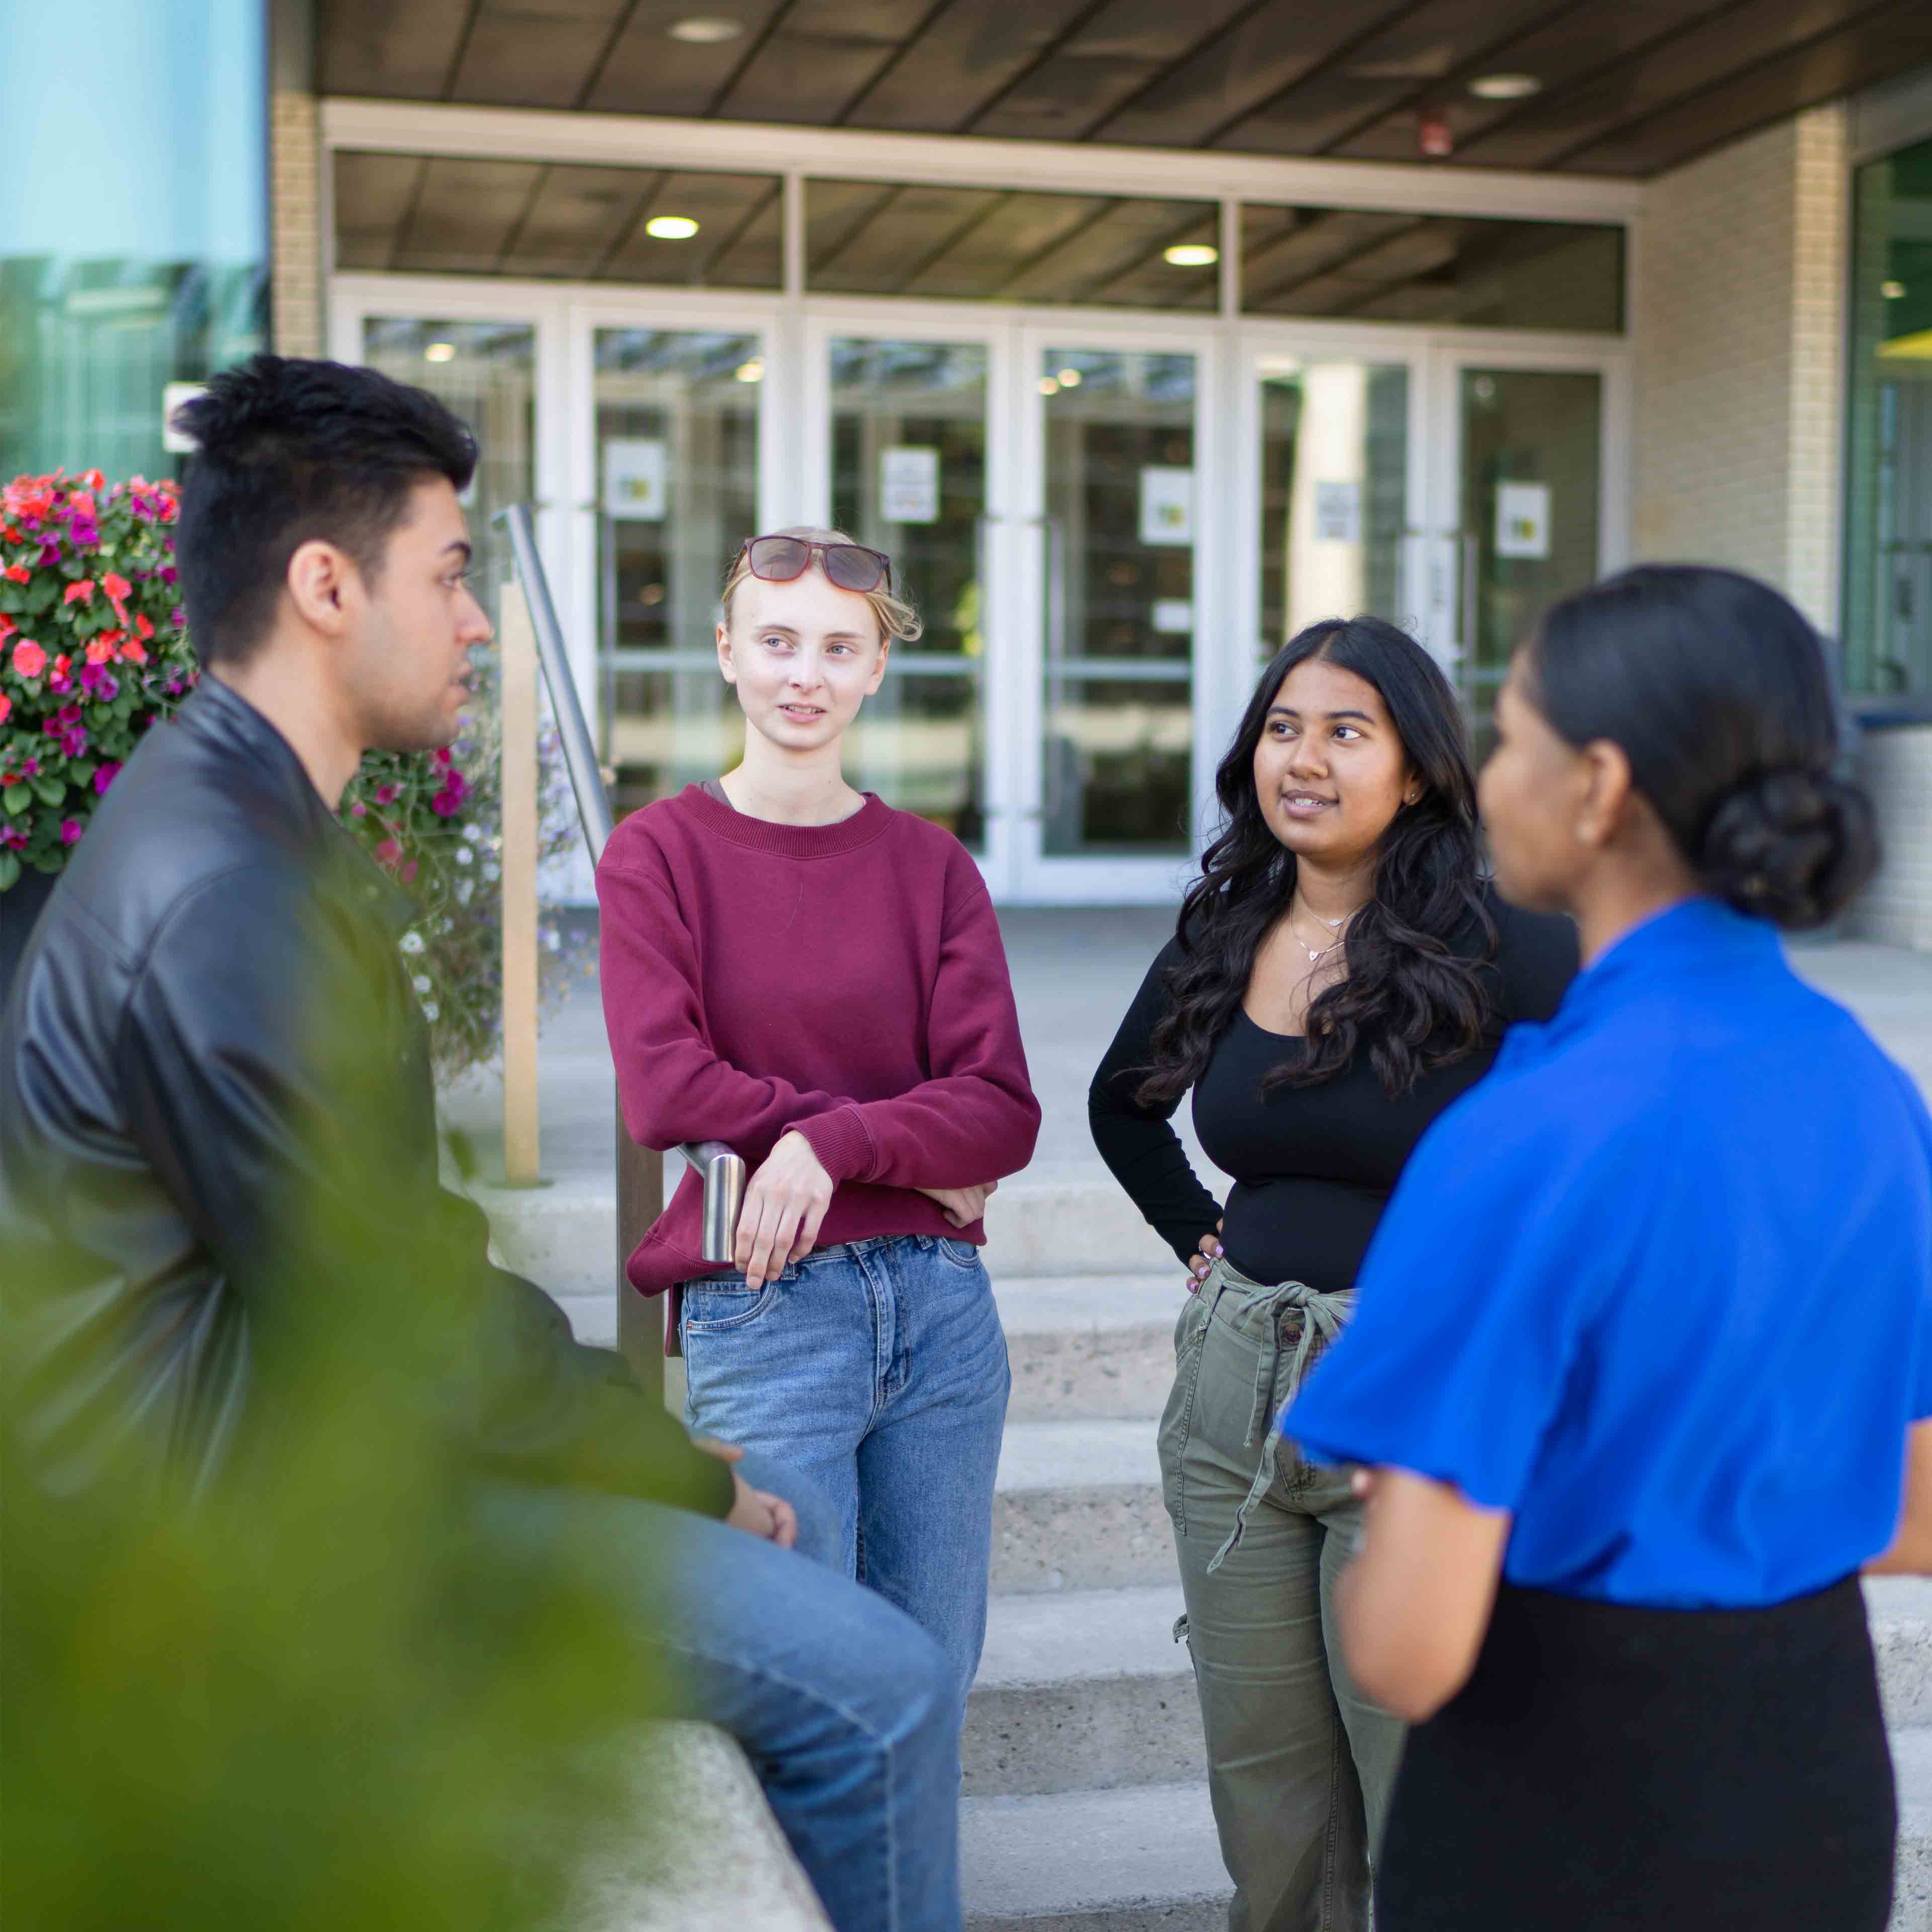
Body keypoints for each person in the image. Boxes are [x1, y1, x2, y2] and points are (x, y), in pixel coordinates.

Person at [0, 358, 963, 1932]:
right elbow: (394, 1317)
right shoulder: (226, 887)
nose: (471, 622)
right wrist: (680, 1478)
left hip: (299, 1464)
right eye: (449, 575)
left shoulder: (240, 825)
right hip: (243, 1534)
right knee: (889, 1690)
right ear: (325, 585)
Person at [1284, 565, 1931, 1932]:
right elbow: (1915, 1512)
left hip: (1562, 1810)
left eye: (1511, 734)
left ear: (1599, 787)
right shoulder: (1876, 1093)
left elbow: (1404, 1649)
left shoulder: (1526, 1134)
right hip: (1816, 1774)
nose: (1491, 772)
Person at [1089, 615, 1576, 1931]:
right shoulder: (1230, 923)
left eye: (1344, 732)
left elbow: (1599, 1142)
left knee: (1416, 1775)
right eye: (1283, 729)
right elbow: (1121, 1107)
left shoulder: (1504, 938)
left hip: (1412, 1388)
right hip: (1233, 1394)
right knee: (1268, 1787)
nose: (1301, 759)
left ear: (1417, 769)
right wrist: (1206, 1236)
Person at [595, 527, 1040, 1723]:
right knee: (800, 1701)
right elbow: (667, 1089)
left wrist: (824, 1146)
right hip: (769, 1301)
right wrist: (893, 1140)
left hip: (944, 1317)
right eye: (779, 642)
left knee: (928, 1693)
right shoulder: (659, 857)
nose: (806, 675)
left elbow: (1001, 1109)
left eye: (839, 649)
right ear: (727, 651)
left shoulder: (933, 868)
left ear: (876, 671)